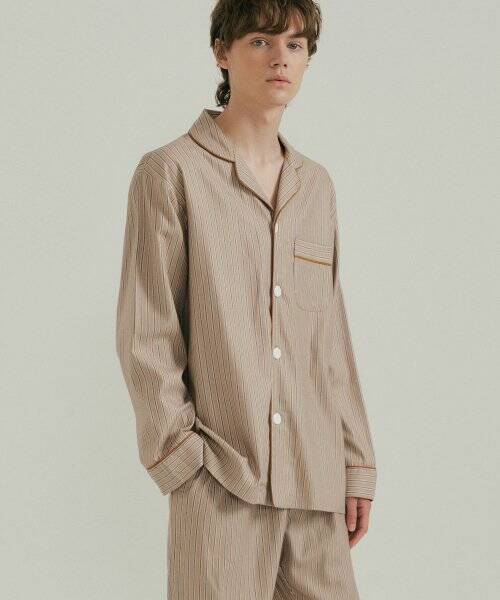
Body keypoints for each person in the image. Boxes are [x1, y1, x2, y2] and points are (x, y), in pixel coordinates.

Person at [115, 1, 377, 598]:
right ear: (222, 52)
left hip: (316, 486)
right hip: (221, 481)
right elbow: (146, 332)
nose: (280, 57)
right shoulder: (170, 172)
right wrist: (183, 463)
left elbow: (330, 336)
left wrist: (356, 461)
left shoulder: (316, 186)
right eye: (261, 40)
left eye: (295, 44)